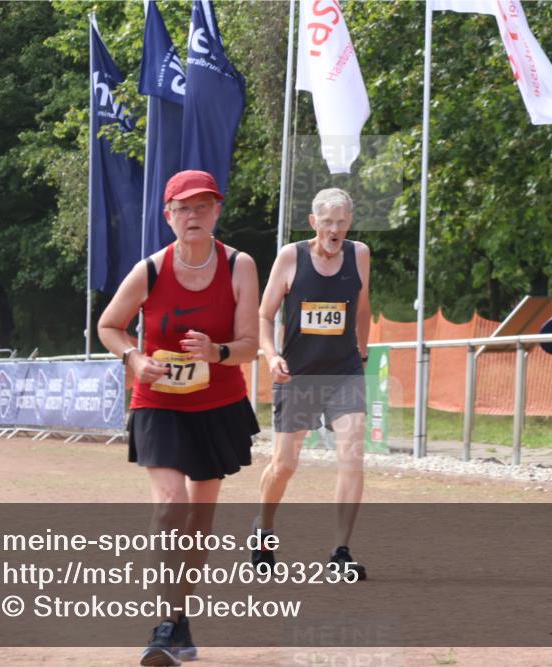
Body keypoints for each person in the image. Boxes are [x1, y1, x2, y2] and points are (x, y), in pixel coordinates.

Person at [98, 170, 259, 666]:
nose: (193, 215)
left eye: (203, 206)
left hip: (217, 406)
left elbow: (250, 346)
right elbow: (109, 326)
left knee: (198, 520)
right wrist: (135, 360)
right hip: (159, 402)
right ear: (168, 217)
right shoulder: (149, 270)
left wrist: (218, 350)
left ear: (217, 212)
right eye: (183, 208)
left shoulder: (240, 265)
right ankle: (164, 625)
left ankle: (180, 618)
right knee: (169, 506)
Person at [254, 187, 371, 580]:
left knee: (352, 457)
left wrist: (364, 352)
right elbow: (264, 315)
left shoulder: (360, 255)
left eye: (341, 222)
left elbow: (363, 305)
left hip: (344, 371)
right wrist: (272, 356)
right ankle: (264, 530)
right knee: (285, 465)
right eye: (327, 222)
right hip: (298, 373)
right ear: (313, 222)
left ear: (349, 223)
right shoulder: (291, 257)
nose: (334, 230)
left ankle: (340, 551)